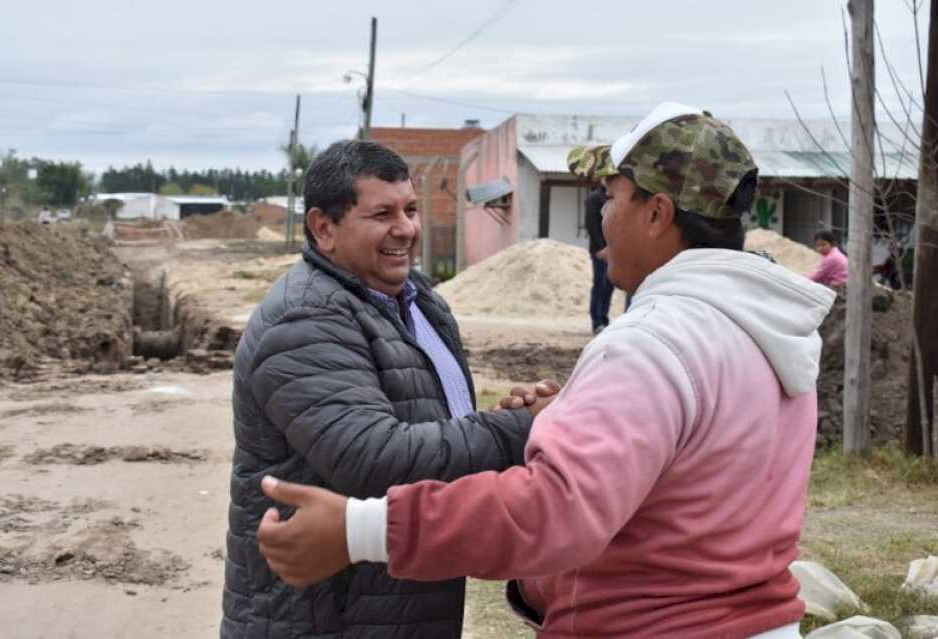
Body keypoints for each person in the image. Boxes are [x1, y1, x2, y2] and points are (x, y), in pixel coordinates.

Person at [254, 104, 837, 638]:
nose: (602, 220)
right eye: (382, 213)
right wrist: (562, 427)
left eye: (611, 198)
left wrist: (362, 530)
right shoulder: (764, 332)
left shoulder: (652, 345)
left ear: (657, 213)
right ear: (321, 227)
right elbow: (672, 518)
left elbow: (554, 511)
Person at [220, 139, 538, 638]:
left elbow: (441, 430)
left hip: (403, 599)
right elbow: (374, 457)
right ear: (324, 228)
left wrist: (516, 424)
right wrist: (522, 428)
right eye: (382, 214)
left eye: (411, 209)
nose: (406, 229)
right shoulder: (304, 317)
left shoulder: (421, 302)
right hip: (329, 616)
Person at [584, 184, 614, 334]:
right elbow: (591, 225)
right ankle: (597, 322)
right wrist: (600, 248)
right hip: (600, 250)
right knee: (600, 285)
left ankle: (604, 319)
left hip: (613, 250)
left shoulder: (613, 198)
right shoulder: (593, 199)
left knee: (609, 286)